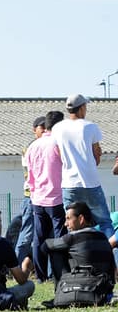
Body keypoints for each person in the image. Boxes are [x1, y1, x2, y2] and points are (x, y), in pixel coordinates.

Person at [51, 94, 114, 243]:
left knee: (72, 225)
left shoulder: (58, 128)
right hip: (90, 182)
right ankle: (113, 260)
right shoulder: (90, 126)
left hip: (69, 184)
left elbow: (59, 153)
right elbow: (96, 154)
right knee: (105, 222)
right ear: (81, 108)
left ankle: (75, 260)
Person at [40, 202, 115, 304]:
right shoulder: (103, 237)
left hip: (80, 288)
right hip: (103, 291)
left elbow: (45, 246)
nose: (65, 224)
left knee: (56, 251)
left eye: (68, 218)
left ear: (81, 219)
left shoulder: (72, 237)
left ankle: (61, 292)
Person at [26, 111, 66, 281]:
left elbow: (29, 173)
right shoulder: (58, 143)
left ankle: (41, 276)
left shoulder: (33, 145)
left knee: (39, 238)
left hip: (37, 197)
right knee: (59, 238)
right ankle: (58, 273)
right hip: (56, 196)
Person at [13, 116, 47, 265]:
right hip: (31, 196)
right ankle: (16, 267)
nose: (45, 130)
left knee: (45, 236)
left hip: (46, 196)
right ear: (35, 130)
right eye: (42, 127)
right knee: (26, 235)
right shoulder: (30, 148)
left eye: (47, 127)